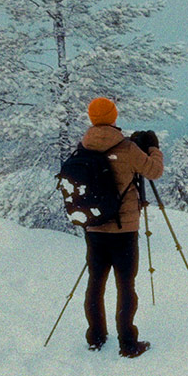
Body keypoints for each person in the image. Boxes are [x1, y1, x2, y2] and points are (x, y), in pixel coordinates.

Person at [80, 97, 164, 358]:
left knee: (96, 282)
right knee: (125, 285)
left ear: (92, 118)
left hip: (94, 227)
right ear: (113, 117)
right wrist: (153, 148)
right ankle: (128, 343)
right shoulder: (126, 148)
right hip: (124, 230)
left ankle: (96, 336)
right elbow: (154, 171)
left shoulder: (84, 146)